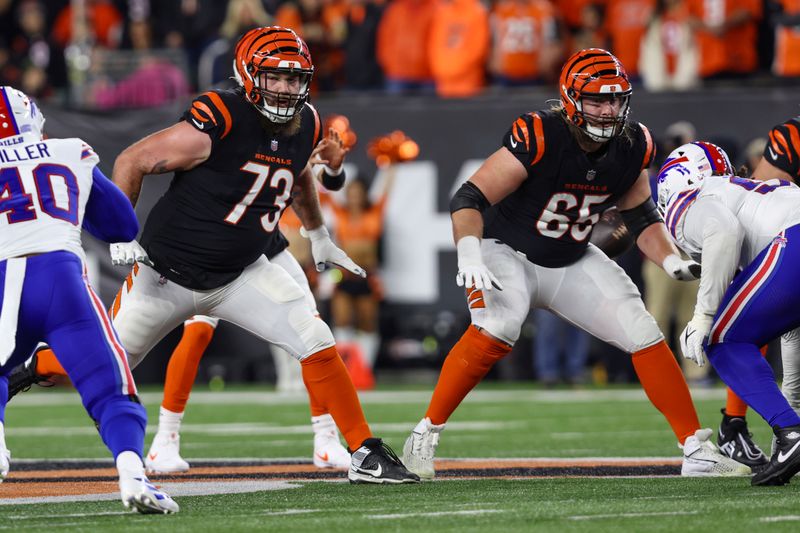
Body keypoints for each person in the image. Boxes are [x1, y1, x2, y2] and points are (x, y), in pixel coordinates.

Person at [12, 27, 419, 485]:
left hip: (240, 274)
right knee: (91, 363)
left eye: (294, 79)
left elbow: (299, 171)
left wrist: (318, 233)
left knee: (315, 338)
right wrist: (120, 230)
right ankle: (22, 371)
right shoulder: (222, 115)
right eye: (274, 78)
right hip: (165, 277)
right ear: (248, 74)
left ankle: (363, 451)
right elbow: (134, 159)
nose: (286, 89)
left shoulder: (309, 123)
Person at [401, 48, 748, 480]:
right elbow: (468, 197)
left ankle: (696, 449)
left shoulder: (634, 144)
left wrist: (673, 261)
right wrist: (469, 251)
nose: (607, 110)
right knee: (499, 325)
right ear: (570, 100)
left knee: (643, 332)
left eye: (615, 99)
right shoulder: (540, 135)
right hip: (505, 250)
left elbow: (640, 217)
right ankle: (424, 433)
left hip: (568, 257)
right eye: (596, 100)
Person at [0, 86, 177, 513]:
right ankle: (134, 476)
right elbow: (120, 223)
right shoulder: (66, 150)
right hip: (62, 279)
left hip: (3, 278)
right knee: (111, 391)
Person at [656, 141, 800, 486]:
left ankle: (790, 433)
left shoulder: (693, 197)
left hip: (793, 240)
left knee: (723, 339)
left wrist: (703, 316)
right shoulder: (749, 192)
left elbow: (722, 230)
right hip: (789, 239)